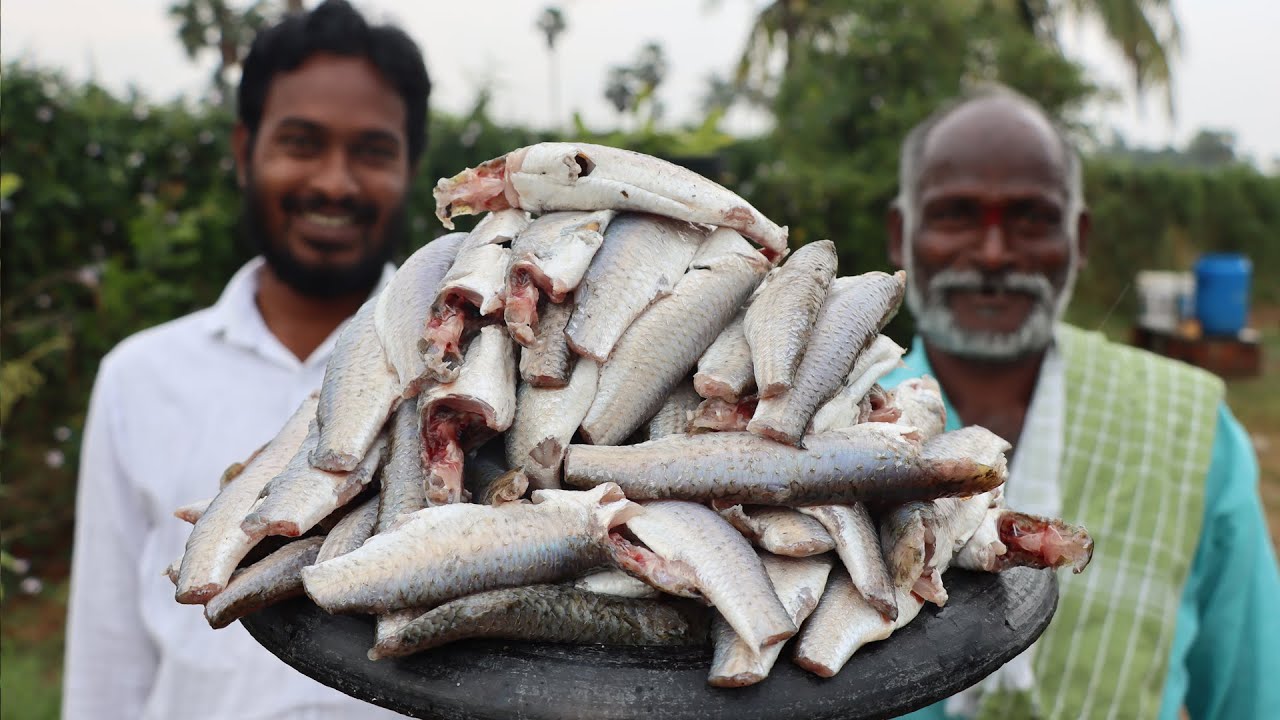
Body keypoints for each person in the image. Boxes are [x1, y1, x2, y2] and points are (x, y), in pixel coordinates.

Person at [61, 2, 430, 717]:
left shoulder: (470, 375)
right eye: (302, 142)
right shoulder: (140, 378)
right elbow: (107, 652)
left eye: (372, 151)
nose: (335, 182)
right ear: (243, 150)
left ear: (411, 165)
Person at [879, 84, 1280, 720]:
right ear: (902, 236)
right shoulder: (831, 435)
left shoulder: (1194, 433)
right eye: (956, 214)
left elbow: (1256, 696)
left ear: (1079, 237)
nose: (992, 254)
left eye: (1031, 219)